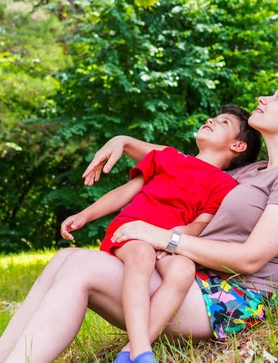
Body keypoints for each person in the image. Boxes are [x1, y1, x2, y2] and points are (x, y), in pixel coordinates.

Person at [0, 83, 278, 363]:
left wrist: (163, 238)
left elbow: (251, 259)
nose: (263, 98)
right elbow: (180, 163)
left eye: (277, 97)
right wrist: (123, 141)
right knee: (65, 259)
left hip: (231, 297)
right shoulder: (253, 170)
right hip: (191, 279)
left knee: (81, 268)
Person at [58, 104, 261, 363]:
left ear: (238, 146)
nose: (211, 120)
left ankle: (128, 352)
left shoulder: (226, 185)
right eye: (213, 118)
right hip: (132, 230)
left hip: (168, 243)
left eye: (223, 123)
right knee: (141, 255)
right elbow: (126, 192)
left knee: (184, 270)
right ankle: (143, 352)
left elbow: (200, 224)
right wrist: (85, 215)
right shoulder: (167, 157)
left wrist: (170, 238)